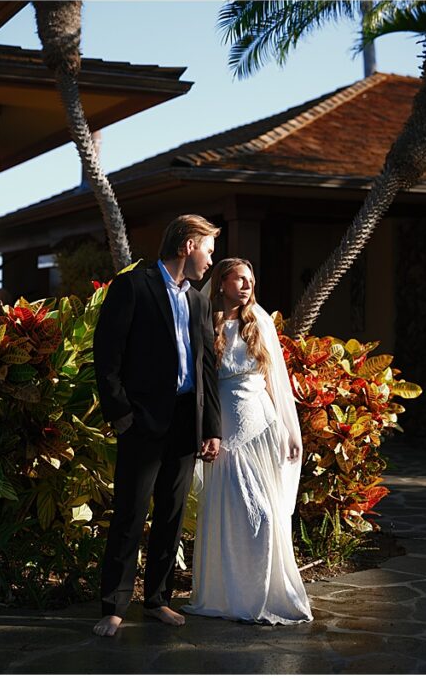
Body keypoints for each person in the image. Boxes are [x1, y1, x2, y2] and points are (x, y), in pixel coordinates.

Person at [92, 214, 223, 637]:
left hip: (187, 421)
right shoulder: (133, 285)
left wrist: (211, 428)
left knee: (172, 513)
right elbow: (107, 355)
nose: (210, 260)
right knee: (130, 513)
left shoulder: (199, 300)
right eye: (208, 249)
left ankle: (157, 600)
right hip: (142, 422)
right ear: (188, 245)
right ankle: (114, 605)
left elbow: (207, 367)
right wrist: (121, 415)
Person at [182, 258, 312, 625]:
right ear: (221, 282)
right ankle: (230, 596)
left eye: (250, 280)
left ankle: (265, 594)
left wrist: (288, 429)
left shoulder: (261, 323)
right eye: (239, 279)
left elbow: (277, 381)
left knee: (268, 515)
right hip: (226, 434)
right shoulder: (205, 323)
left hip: (264, 428)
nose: (246, 286)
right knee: (238, 515)